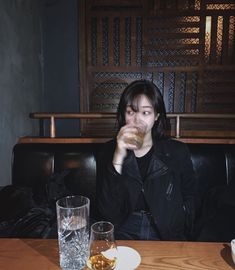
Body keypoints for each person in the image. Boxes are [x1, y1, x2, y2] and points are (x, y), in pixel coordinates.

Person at [96, 80, 196, 240]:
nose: (137, 120)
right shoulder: (108, 151)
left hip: (166, 230)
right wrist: (119, 154)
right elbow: (106, 211)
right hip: (123, 227)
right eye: (131, 112)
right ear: (123, 114)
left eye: (145, 112)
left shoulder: (177, 152)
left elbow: (190, 195)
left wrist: (180, 219)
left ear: (156, 115)